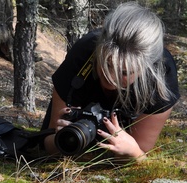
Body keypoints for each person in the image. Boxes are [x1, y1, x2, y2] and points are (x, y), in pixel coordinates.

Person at [41, 2, 180, 162]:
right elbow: (48, 143)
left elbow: (141, 153)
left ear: (146, 67)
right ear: (99, 48)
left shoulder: (162, 75)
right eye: (107, 64)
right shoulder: (83, 54)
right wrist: (60, 138)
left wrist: (133, 152)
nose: (110, 76)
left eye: (125, 72)